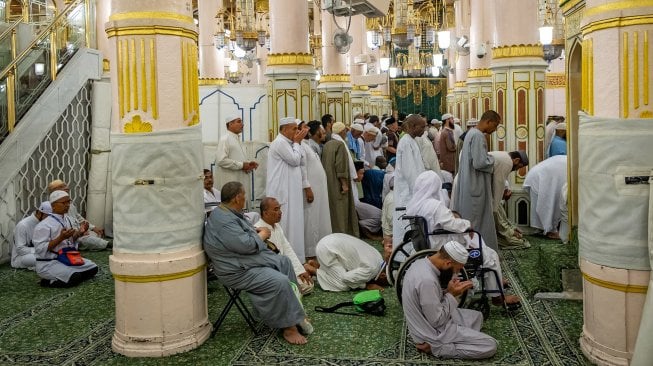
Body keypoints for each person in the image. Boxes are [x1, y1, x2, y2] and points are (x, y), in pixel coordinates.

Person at [203, 182, 312, 345]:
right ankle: (289, 327)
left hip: (243, 261)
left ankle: (295, 313)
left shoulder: (228, 213)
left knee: (284, 262)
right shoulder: (223, 219)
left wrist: (257, 233)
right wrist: (262, 234)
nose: (245, 199)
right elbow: (246, 245)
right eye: (244, 196)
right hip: (235, 270)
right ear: (237, 198)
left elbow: (243, 235)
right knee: (280, 281)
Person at [406, 171, 520, 306]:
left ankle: (495, 281)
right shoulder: (434, 205)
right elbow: (451, 224)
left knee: (478, 244)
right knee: (490, 255)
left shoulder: (415, 204)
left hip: (431, 242)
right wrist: (467, 225)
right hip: (443, 244)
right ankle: (497, 296)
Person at [402, 240, 498, 359]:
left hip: (431, 317)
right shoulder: (427, 281)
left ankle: (460, 339)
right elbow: (437, 321)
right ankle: (437, 347)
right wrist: (452, 295)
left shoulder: (421, 262)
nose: (456, 275)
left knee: (478, 317)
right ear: (448, 263)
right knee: (490, 345)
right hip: (431, 331)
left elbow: (431, 299)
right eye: (456, 270)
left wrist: (447, 291)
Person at [452, 110, 502, 251]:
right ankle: (478, 254)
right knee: (477, 223)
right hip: (475, 186)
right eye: (495, 125)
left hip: (470, 184)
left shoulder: (471, 133)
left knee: (471, 221)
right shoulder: (479, 136)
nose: (495, 129)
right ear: (488, 122)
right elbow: (479, 163)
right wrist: (492, 160)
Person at [32, 191, 99, 287]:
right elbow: (40, 249)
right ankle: (46, 281)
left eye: (68, 202)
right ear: (53, 206)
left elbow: (71, 241)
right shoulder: (43, 225)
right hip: (49, 263)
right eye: (64, 203)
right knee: (74, 278)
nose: (67, 205)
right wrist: (60, 238)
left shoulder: (68, 219)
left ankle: (67, 274)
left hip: (67, 258)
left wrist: (80, 232)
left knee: (93, 268)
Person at [266, 117, 309, 262]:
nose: (297, 132)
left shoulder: (289, 143)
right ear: (284, 129)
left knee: (294, 223)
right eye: (294, 129)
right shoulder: (280, 143)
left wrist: (297, 143)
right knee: (285, 224)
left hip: (292, 192)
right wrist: (297, 143)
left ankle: (296, 258)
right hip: (282, 191)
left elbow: (301, 160)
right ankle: (285, 258)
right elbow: (295, 160)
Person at [255, 197, 315, 295]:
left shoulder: (277, 227)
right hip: (270, 274)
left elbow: (288, 250)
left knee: (308, 284)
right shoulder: (258, 230)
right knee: (300, 287)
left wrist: (299, 271)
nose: (280, 212)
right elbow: (266, 261)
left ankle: (291, 290)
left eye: (279, 209)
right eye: (276, 209)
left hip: (284, 269)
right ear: (265, 213)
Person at [310, 233, 388, 292]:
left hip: (329, 240)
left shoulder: (379, 257)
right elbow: (346, 278)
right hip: (326, 250)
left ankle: (318, 265)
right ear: (383, 275)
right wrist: (366, 285)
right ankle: (312, 270)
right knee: (343, 285)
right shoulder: (372, 270)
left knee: (349, 271)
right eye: (384, 283)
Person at [393, 114, 427, 246]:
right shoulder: (406, 142)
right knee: (406, 223)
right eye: (422, 127)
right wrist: (419, 192)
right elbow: (410, 172)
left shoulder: (411, 140)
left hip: (414, 190)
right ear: (413, 127)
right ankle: (405, 254)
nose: (424, 130)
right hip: (408, 192)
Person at [301, 121, 332, 259]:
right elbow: (303, 170)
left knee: (320, 218)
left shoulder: (305, 145)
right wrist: (307, 188)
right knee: (312, 219)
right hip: (312, 190)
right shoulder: (300, 146)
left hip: (319, 190)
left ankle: (321, 247)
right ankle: (310, 252)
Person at [322, 122, 359, 237]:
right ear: (342, 131)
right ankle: (344, 235)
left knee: (334, 210)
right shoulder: (340, 144)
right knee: (342, 210)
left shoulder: (328, 144)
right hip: (338, 183)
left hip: (329, 182)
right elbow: (341, 166)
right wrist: (344, 184)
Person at [47, 180, 108, 251]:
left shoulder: (70, 204)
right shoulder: (52, 206)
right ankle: (108, 244)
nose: (67, 187)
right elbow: (64, 225)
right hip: (69, 236)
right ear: (55, 190)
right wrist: (79, 232)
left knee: (94, 233)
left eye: (65, 185)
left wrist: (92, 227)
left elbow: (79, 218)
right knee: (87, 240)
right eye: (62, 187)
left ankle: (102, 244)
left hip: (79, 232)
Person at [489, 151, 531, 249]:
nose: (516, 170)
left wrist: (513, 228)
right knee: (523, 243)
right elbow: (500, 224)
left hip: (503, 230)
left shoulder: (497, 200)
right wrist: (512, 232)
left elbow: (504, 221)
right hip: (501, 232)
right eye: (518, 167)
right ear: (516, 160)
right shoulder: (507, 162)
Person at [523, 155, 568, 239]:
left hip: (538, 176)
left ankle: (546, 229)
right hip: (539, 177)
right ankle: (550, 231)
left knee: (550, 201)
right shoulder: (570, 163)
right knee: (550, 201)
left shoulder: (568, 161)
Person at [215, 116, 259, 191]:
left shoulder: (238, 140)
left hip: (241, 182)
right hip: (231, 184)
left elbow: (238, 159)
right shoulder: (225, 139)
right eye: (239, 121)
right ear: (230, 124)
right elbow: (221, 160)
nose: (242, 124)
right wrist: (242, 165)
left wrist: (248, 164)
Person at [11, 201, 51, 269]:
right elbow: (20, 250)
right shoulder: (23, 225)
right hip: (21, 257)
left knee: (54, 256)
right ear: (39, 213)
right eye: (47, 216)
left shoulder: (46, 224)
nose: (50, 219)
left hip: (39, 253)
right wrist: (40, 249)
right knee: (47, 259)